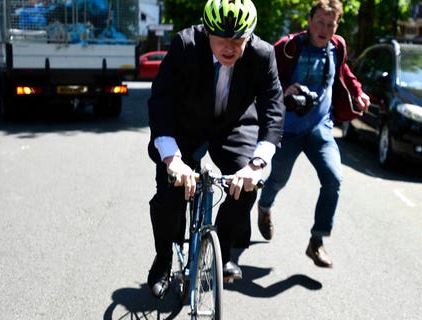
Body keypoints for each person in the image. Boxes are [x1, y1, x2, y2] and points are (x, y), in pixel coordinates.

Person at [146, 0, 285, 299]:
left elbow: (274, 110)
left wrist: (256, 165)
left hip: (234, 126)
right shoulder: (185, 44)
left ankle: (220, 249)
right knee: (170, 195)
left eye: (239, 40)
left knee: (246, 187)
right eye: (222, 38)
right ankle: (163, 259)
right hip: (185, 127)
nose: (230, 47)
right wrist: (173, 159)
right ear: (207, 31)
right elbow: (161, 101)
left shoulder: (263, 54)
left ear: (250, 36)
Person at [257, 0, 369, 268]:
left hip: (320, 127)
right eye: (320, 21)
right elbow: (264, 75)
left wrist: (358, 92)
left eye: (330, 24)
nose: (324, 28)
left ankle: (316, 242)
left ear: (336, 25)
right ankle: (264, 208)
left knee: (333, 178)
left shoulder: (337, 46)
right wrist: (284, 90)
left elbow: (344, 71)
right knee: (278, 179)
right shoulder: (288, 47)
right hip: (288, 129)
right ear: (309, 20)